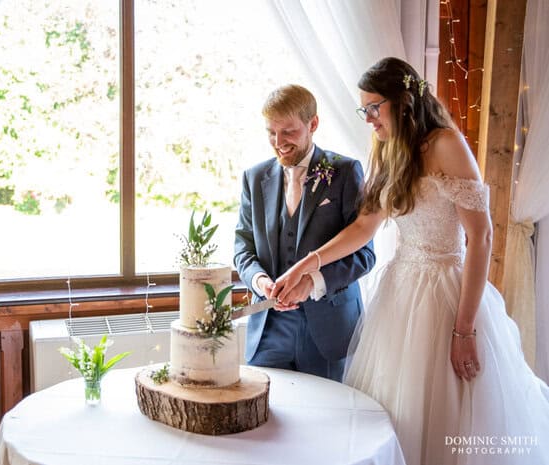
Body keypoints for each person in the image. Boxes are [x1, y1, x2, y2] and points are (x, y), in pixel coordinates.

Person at [271, 57, 549, 464]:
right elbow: (365, 227)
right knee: (394, 412)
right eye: (363, 110)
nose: (367, 119)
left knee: (446, 416)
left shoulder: (445, 144)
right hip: (400, 294)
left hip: (447, 295)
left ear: (401, 101)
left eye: (373, 107)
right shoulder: (387, 148)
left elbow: (482, 235)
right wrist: (306, 264)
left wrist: (464, 329)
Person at [234, 84, 376, 382]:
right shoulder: (254, 177)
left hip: (329, 330)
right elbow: (243, 249)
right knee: (265, 418)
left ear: (313, 124)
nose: (278, 142)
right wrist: (261, 282)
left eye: (288, 132)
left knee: (328, 420)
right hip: (269, 331)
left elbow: (364, 254)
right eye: (271, 132)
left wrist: (313, 281)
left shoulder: (345, 172)